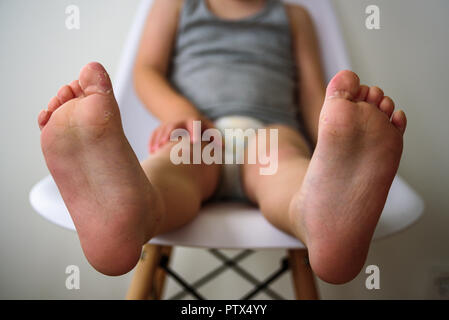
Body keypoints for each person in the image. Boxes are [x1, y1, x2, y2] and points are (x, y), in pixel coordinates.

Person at [37, 0, 407, 284]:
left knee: (287, 168)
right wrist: (182, 113)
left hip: (270, 131)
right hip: (200, 131)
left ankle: (316, 216)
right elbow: (146, 71)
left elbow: (313, 95)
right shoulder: (176, 6)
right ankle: (130, 211)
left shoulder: (293, 16)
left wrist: (337, 139)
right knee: (172, 169)